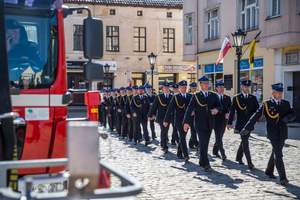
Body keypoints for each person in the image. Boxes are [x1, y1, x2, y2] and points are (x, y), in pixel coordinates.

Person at [240, 83, 296, 185]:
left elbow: (293, 113)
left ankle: (269, 171)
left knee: (275, 151)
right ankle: (283, 177)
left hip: (283, 132)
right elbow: (256, 116)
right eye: (278, 92)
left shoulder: (285, 103)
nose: (280, 94)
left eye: (281, 92)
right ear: (272, 93)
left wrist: (288, 118)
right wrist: (246, 128)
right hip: (272, 132)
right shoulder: (267, 104)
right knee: (278, 154)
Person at [183, 76, 222, 170]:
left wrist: (217, 109)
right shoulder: (196, 96)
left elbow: (220, 106)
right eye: (204, 83)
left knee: (206, 143)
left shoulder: (213, 95)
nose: (206, 85)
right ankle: (206, 163)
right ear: (200, 85)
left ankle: (201, 161)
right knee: (202, 143)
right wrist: (186, 122)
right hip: (199, 124)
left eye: (207, 83)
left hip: (210, 123)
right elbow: (189, 109)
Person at [227, 80, 259, 169]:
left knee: (244, 140)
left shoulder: (253, 98)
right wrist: (229, 123)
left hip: (249, 123)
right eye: (245, 87)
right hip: (241, 124)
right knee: (245, 142)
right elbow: (232, 110)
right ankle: (249, 162)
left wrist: (256, 119)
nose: (247, 88)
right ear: (242, 87)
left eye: (248, 87)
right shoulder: (237, 97)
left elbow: (257, 110)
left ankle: (238, 157)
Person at [163, 81, 192, 161]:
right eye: (182, 87)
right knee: (182, 137)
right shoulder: (176, 96)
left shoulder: (190, 96)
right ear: (179, 88)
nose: (184, 88)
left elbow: (193, 106)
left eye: (185, 87)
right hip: (179, 120)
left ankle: (179, 153)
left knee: (183, 136)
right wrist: (166, 120)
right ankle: (185, 155)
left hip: (187, 120)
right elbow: (169, 108)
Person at [148, 82, 173, 153]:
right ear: (162, 89)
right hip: (161, 116)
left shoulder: (171, 96)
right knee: (163, 130)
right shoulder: (159, 96)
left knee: (166, 130)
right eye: (165, 88)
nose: (167, 89)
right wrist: (150, 115)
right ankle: (165, 146)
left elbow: (174, 106)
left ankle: (162, 143)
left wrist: (172, 111)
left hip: (168, 116)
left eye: (168, 88)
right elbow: (154, 106)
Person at [212, 82, 231, 160]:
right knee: (219, 137)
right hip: (215, 120)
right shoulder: (213, 97)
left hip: (224, 120)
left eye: (223, 87)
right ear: (217, 88)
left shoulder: (227, 98)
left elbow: (231, 108)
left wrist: (228, 113)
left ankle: (215, 150)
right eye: (220, 87)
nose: (222, 89)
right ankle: (223, 153)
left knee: (220, 137)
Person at [188, 82, 199, 151]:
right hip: (191, 115)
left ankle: (190, 143)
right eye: (193, 88)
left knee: (195, 130)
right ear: (190, 88)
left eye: (195, 88)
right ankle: (196, 143)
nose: (194, 89)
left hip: (197, 115)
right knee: (193, 129)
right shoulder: (188, 95)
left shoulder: (198, 95)